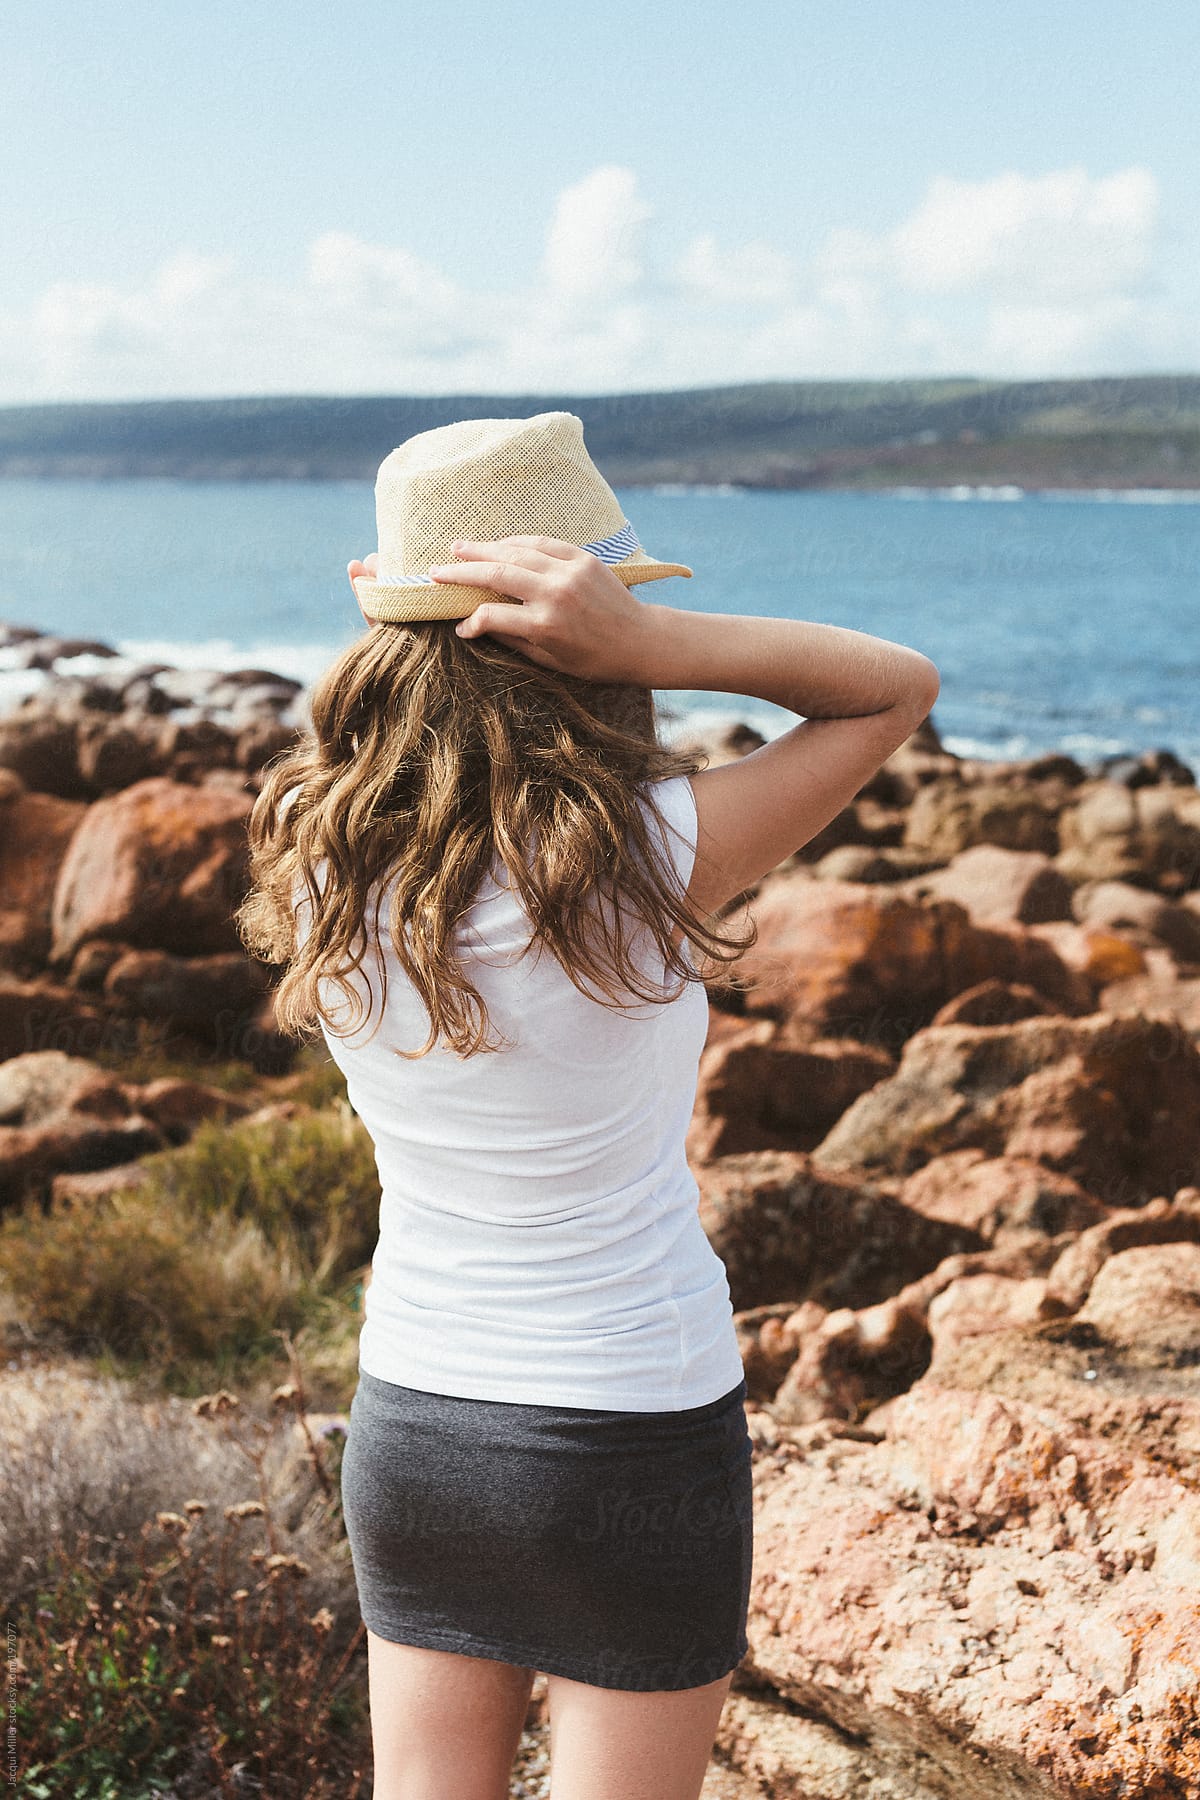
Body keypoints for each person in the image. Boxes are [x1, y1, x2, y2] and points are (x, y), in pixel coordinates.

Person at [236, 413, 940, 1800]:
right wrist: (661, 646)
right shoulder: (645, 860)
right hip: (629, 1428)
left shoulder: (324, 855)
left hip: (419, 1428)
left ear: (388, 619)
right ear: (587, 632)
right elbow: (891, 690)